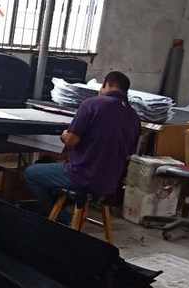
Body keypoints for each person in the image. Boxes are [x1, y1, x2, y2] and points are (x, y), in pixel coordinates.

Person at [24, 71, 140, 220]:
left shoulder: (92, 104)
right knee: (53, 171)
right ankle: (66, 211)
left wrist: (64, 135)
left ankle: (62, 220)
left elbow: (71, 141)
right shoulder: (134, 117)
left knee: (31, 173)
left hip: (82, 176)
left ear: (106, 84)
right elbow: (130, 152)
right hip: (110, 183)